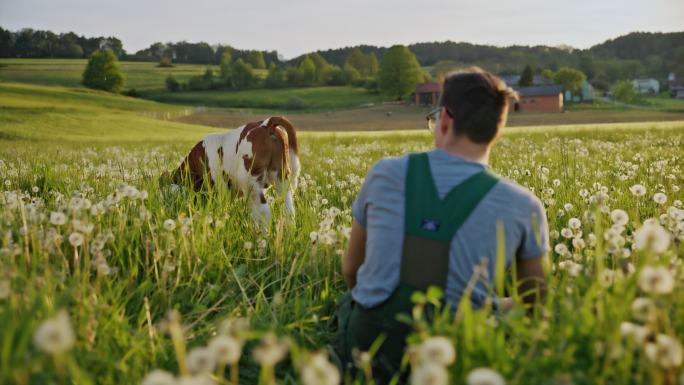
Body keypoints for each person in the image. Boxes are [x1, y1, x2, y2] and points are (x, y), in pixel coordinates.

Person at [335, 67, 550, 384]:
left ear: (445, 119)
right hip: (456, 351)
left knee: (344, 303)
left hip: (371, 349)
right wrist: (490, 306)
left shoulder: (384, 173)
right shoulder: (524, 205)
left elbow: (352, 271)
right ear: (496, 131)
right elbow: (534, 300)